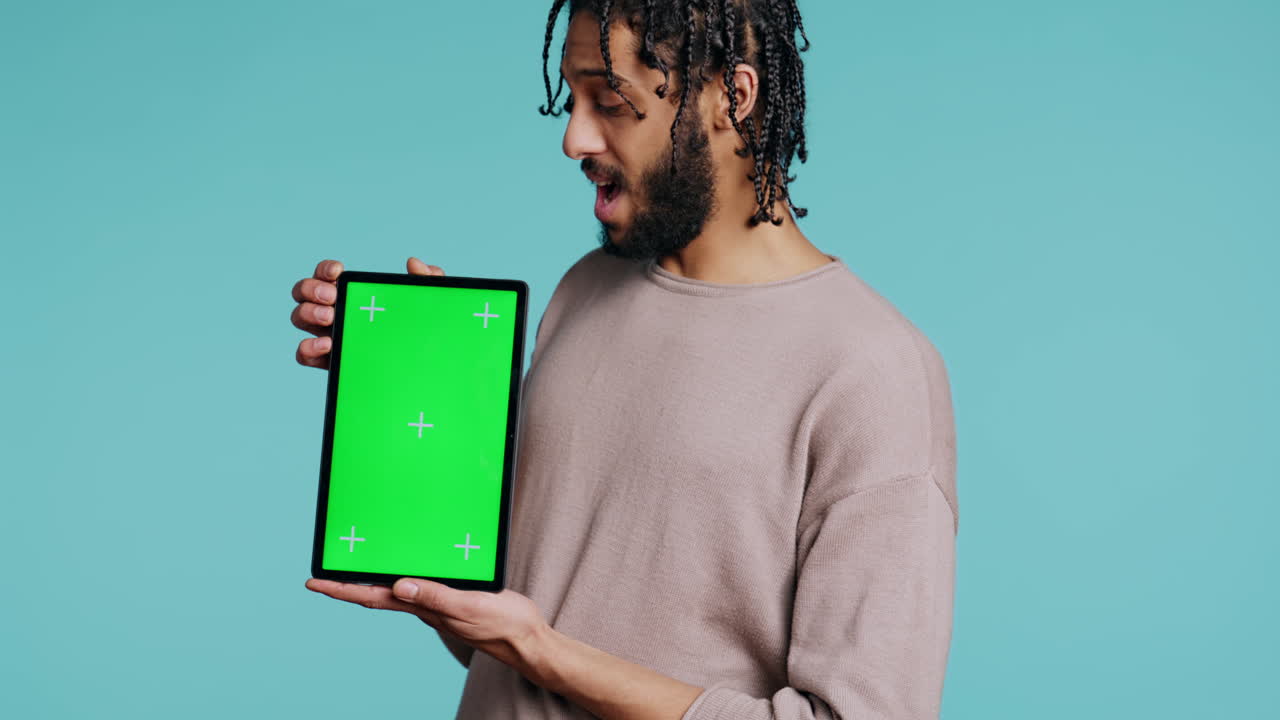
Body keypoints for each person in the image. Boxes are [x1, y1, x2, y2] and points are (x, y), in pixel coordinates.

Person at [290, 1, 959, 718]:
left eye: (611, 101)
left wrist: (541, 649)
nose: (575, 138)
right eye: (572, 99)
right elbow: (518, 615)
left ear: (731, 98)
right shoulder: (585, 289)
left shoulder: (874, 373)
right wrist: (430, 393)